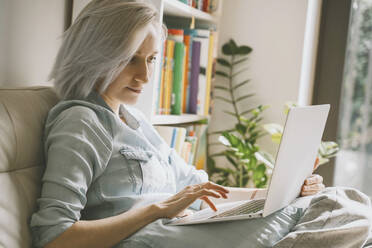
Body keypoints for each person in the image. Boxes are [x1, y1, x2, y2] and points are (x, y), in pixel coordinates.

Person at [29, 1, 328, 247]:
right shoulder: (81, 122)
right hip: (152, 239)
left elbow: (199, 189)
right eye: (131, 59)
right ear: (96, 57)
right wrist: (157, 210)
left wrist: (278, 192)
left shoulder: (135, 121)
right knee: (333, 211)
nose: (145, 77)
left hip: (182, 231)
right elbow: (54, 236)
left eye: (152, 60)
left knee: (327, 201)